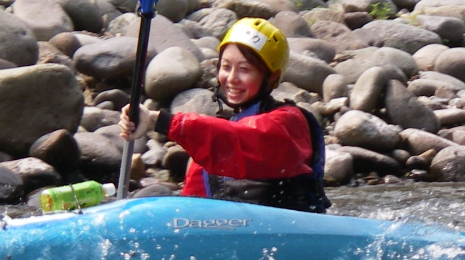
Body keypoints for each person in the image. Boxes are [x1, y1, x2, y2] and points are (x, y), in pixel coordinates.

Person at [120, 17, 331, 213]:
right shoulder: (221, 132)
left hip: (289, 233)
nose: (231, 78)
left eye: (244, 69)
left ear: (272, 77)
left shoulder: (289, 121)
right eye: (226, 67)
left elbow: (238, 140)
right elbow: (194, 206)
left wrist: (159, 120)